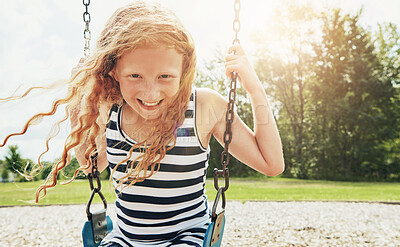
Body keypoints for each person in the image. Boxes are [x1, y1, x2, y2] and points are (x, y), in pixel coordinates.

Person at [1, 1, 284, 246]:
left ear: (184, 70)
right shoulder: (110, 109)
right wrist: (81, 98)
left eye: (165, 77)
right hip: (125, 239)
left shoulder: (203, 108)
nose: (150, 94)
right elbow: (92, 165)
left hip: (187, 236)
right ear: (112, 69)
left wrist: (254, 88)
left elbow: (271, 164)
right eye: (135, 76)